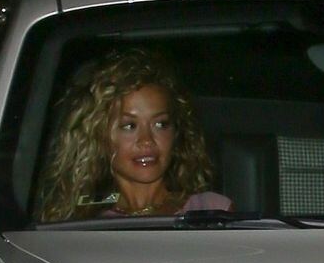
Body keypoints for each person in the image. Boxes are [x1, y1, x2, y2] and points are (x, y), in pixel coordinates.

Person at [36, 48, 231, 221]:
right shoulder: (81, 221)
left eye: (160, 124)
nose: (146, 141)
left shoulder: (210, 210)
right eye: (129, 126)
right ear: (98, 135)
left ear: (176, 133)